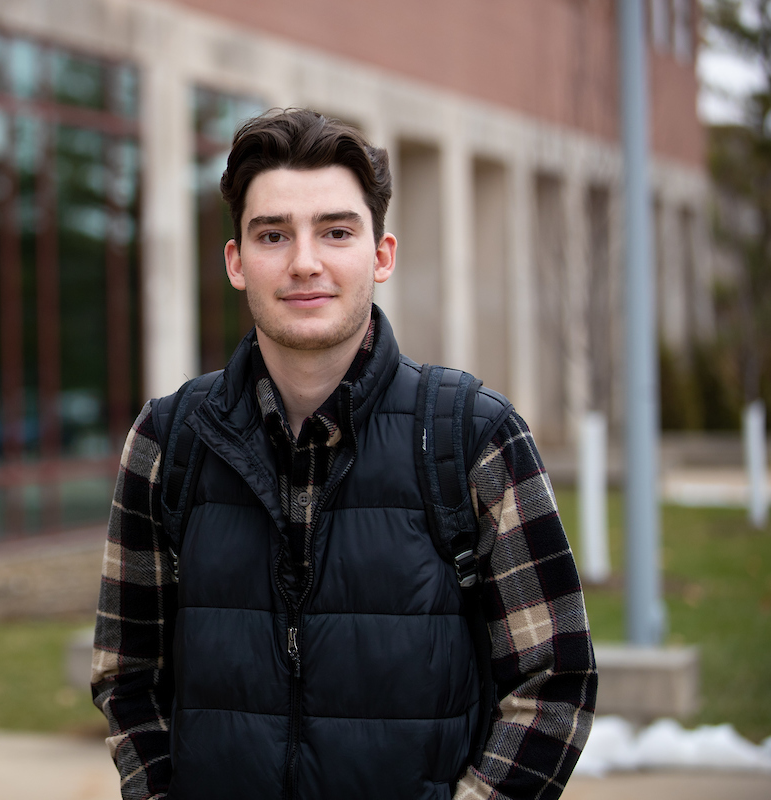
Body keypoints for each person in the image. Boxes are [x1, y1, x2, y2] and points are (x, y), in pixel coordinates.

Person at [91, 108, 597, 800]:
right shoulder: (166, 441)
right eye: (273, 234)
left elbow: (554, 681)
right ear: (236, 262)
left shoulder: (476, 436)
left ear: (381, 255)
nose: (305, 262)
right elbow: (127, 676)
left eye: (336, 231)